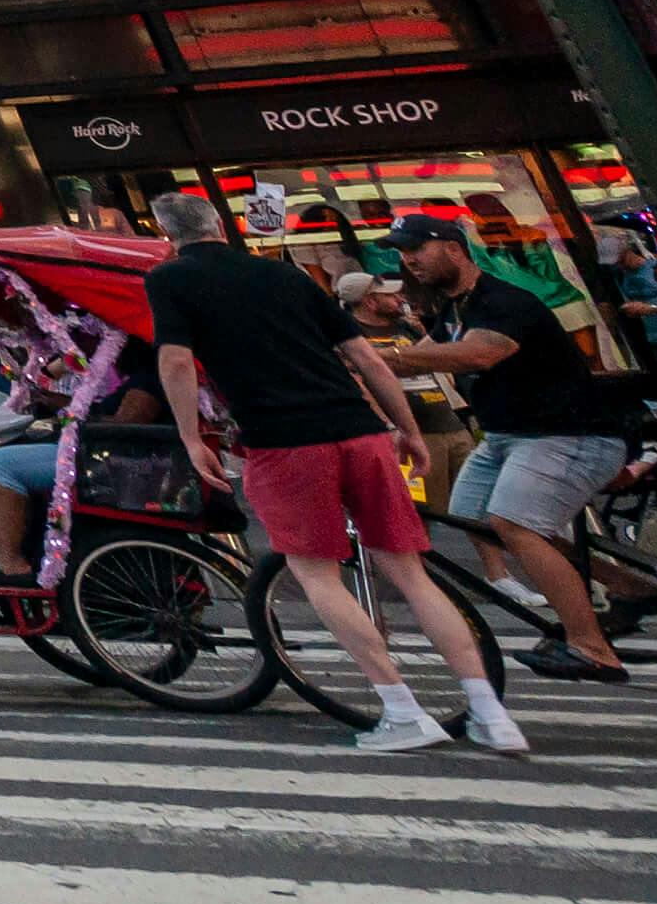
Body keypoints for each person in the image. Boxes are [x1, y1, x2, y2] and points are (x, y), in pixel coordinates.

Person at [150, 196, 518, 750]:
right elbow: (366, 359)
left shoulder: (170, 280)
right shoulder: (288, 276)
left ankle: (400, 708)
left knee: (318, 575)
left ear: (166, 233)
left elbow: (176, 361)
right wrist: (406, 427)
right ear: (220, 226)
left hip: (284, 440)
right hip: (359, 430)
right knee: (411, 572)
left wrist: (188, 436)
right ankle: (489, 711)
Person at [375, 207, 636, 682]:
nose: (410, 261)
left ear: (453, 247)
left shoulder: (503, 300)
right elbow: (422, 361)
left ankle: (590, 646)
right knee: (476, 518)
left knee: (514, 523)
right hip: (508, 436)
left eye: (418, 249)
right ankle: (627, 587)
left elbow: (479, 353)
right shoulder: (454, 307)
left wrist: (381, 356)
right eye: (403, 253)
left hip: (567, 434)